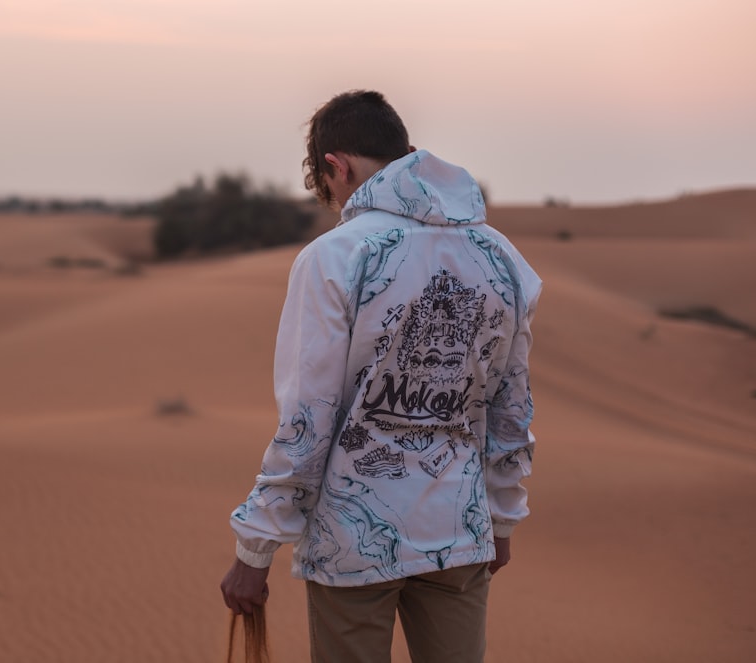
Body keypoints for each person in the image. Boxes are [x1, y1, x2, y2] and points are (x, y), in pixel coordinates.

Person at [220, 90, 541, 663]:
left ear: (335, 167)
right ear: (407, 152)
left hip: (353, 546)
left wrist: (256, 549)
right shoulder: (504, 259)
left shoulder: (335, 255)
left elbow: (307, 421)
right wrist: (502, 515)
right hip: (459, 533)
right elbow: (511, 407)